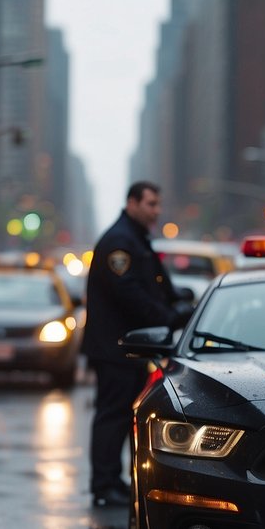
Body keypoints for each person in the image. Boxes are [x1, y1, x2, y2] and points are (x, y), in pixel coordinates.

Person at [81, 181, 193, 508]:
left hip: (129, 345)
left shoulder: (134, 238)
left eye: (158, 205)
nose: (156, 211)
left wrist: (176, 301)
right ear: (132, 203)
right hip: (117, 347)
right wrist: (169, 317)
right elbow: (129, 294)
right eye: (150, 204)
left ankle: (111, 481)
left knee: (119, 415)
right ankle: (104, 485)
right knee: (112, 415)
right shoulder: (120, 242)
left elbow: (155, 284)